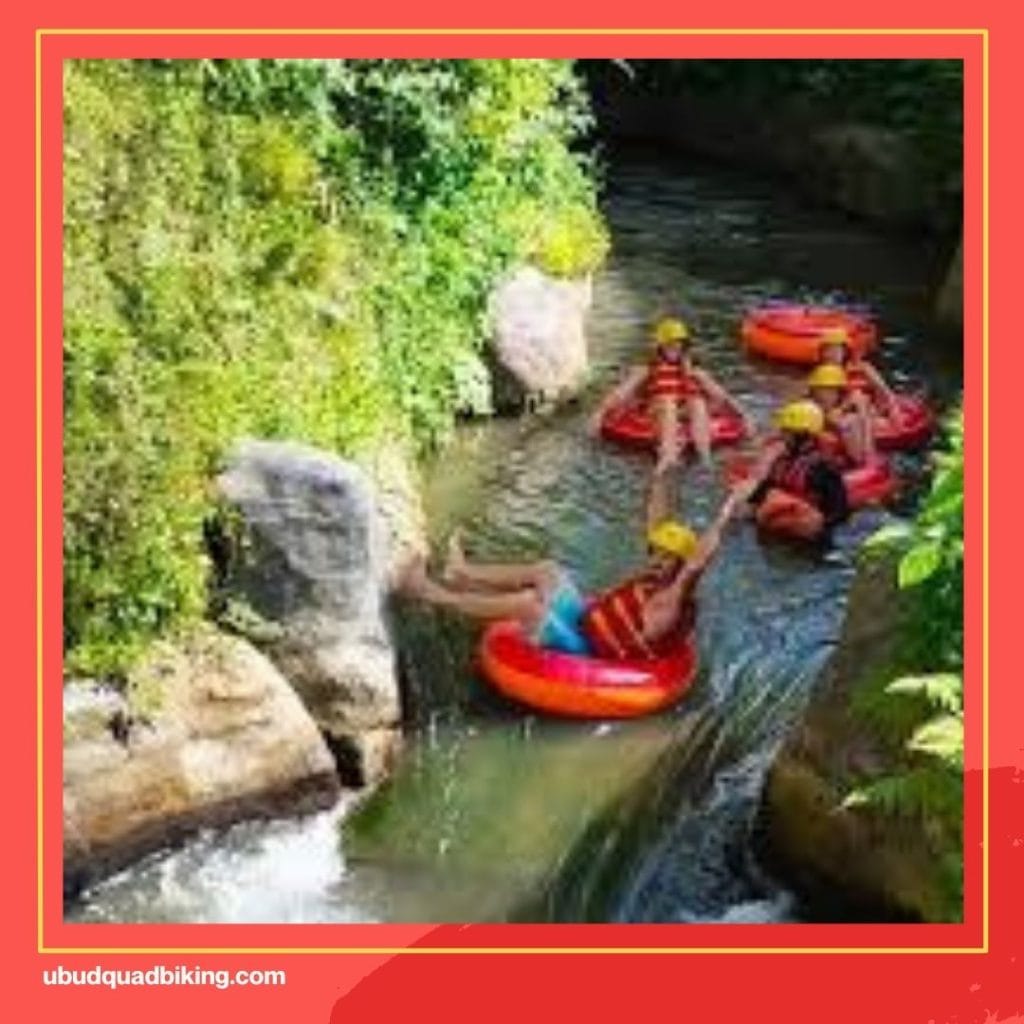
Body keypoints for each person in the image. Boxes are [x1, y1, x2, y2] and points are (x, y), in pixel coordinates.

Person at [399, 470, 744, 660]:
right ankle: (463, 573)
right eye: (654, 551)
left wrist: (727, 511)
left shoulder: (674, 597)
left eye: (666, 557)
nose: (656, 559)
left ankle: (430, 594)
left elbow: (701, 557)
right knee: (547, 570)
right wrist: (660, 475)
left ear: (680, 566)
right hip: (582, 624)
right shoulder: (653, 577)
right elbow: (653, 521)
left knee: (528, 605)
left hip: (589, 651)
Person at [589, 317, 753, 474]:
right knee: (668, 403)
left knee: (698, 402)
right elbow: (621, 393)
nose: (675, 347)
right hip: (656, 411)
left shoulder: (695, 372)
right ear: (660, 346)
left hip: (683, 413)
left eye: (679, 344)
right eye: (670, 344)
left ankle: (704, 456)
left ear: (684, 347)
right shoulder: (647, 369)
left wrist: (744, 416)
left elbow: (722, 396)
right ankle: (668, 456)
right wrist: (600, 413)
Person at [732, 400, 849, 544]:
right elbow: (766, 489)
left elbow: (840, 511)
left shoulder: (823, 469)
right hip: (779, 525)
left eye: (787, 432)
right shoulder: (782, 461)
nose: (782, 435)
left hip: (808, 536)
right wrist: (744, 506)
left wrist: (819, 524)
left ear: (804, 435)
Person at [817, 326, 901, 420]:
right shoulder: (821, 372)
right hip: (842, 412)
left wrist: (894, 410)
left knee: (858, 397)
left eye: (837, 350)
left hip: (866, 409)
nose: (832, 355)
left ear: (845, 352)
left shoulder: (862, 367)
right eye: (828, 350)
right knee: (856, 398)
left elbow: (884, 390)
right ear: (822, 353)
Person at [805, 363, 875, 466]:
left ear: (839, 392)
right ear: (813, 391)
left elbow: (863, 420)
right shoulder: (807, 405)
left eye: (829, 390)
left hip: (848, 452)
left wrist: (867, 450)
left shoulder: (849, 411)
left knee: (848, 422)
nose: (823, 395)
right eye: (819, 389)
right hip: (821, 453)